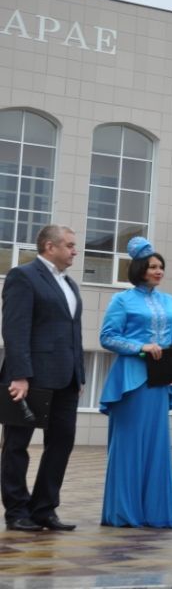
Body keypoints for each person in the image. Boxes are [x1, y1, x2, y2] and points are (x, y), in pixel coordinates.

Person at [1, 225, 84, 532]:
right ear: (50, 247)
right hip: (31, 378)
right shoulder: (23, 276)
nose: (75, 250)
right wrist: (20, 375)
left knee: (61, 443)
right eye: (70, 245)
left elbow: (74, 334)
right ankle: (17, 511)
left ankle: (44, 509)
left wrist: (80, 374)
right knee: (16, 445)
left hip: (66, 379)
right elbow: (14, 328)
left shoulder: (70, 284)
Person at [98, 237, 172, 528]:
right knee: (130, 446)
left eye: (161, 266)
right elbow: (107, 337)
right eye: (152, 267)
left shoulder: (170, 301)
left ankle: (155, 513)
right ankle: (124, 513)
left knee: (157, 447)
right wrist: (141, 347)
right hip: (132, 382)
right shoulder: (122, 299)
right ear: (139, 269)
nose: (158, 271)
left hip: (160, 383)